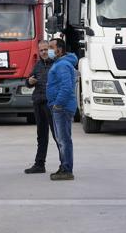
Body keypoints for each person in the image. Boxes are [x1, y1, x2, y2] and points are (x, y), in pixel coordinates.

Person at [46, 38, 78, 181]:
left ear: (60, 49)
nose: (49, 50)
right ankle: (64, 166)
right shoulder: (59, 63)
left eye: (51, 47)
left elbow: (66, 87)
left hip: (62, 108)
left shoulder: (62, 65)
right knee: (62, 139)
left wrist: (58, 104)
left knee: (64, 140)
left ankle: (66, 169)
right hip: (60, 107)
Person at [24, 40, 56, 174]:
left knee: (58, 135)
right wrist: (29, 82)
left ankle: (65, 165)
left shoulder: (56, 64)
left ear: (50, 49)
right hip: (39, 103)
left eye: (46, 49)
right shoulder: (37, 65)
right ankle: (39, 164)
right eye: (41, 50)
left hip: (52, 104)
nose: (43, 52)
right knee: (41, 135)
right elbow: (28, 81)